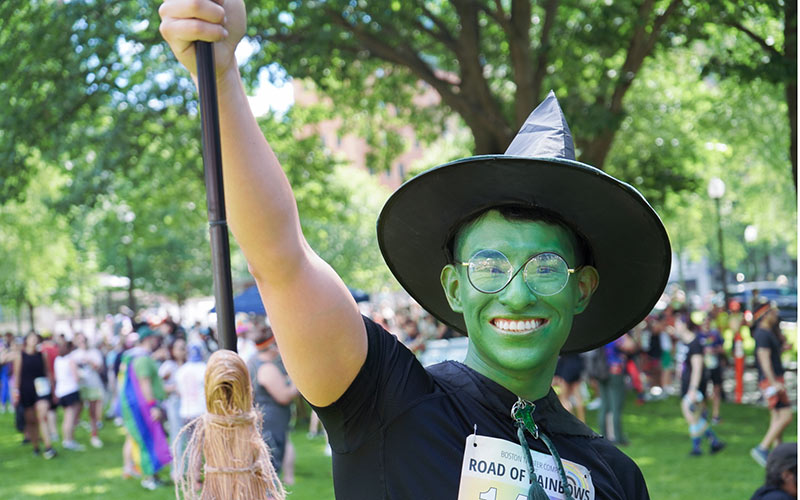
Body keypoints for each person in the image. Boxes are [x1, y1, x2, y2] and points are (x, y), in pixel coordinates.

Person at [158, 3, 672, 497]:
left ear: (581, 289)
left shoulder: (615, 479)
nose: (516, 296)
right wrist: (222, 76)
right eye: (490, 267)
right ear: (453, 285)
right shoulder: (386, 401)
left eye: (546, 268)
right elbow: (281, 260)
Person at [118, 326, 172, 490]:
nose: (157, 341)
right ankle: (149, 478)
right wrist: (153, 406)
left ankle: (153, 476)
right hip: (144, 408)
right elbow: (144, 383)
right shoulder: (142, 359)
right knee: (147, 441)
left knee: (148, 439)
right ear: (148, 339)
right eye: (154, 338)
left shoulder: (137, 357)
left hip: (139, 407)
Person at [248, 326, 299, 478]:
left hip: (265, 421)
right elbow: (284, 396)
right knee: (270, 469)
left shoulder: (253, 362)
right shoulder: (267, 368)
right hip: (271, 423)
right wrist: (299, 383)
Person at [750, 304, 794, 467]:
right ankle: (762, 448)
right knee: (786, 415)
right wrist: (774, 382)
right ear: (765, 314)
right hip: (772, 381)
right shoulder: (762, 333)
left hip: (774, 379)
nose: (776, 314)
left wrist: (782, 348)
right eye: (773, 312)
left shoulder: (768, 333)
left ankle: (778, 454)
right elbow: (764, 359)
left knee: (776, 417)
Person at [677, 319, 724, 456]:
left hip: (693, 387)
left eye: (678, 323)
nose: (675, 326)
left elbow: (697, 368)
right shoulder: (688, 343)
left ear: (685, 325)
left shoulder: (695, 343)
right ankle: (712, 442)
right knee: (695, 417)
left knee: (692, 416)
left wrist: (693, 389)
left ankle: (702, 446)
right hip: (689, 386)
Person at [12, 332, 56, 459]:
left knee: (43, 416)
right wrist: (16, 392)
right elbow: (17, 375)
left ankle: (48, 446)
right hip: (26, 390)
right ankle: (36, 446)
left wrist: (52, 388)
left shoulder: (42, 355)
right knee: (31, 420)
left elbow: (47, 372)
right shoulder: (20, 356)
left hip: (41, 389)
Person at [71, 332, 105, 448]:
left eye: (83, 340)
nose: (82, 342)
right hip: (79, 387)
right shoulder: (74, 355)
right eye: (79, 340)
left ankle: (94, 436)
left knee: (93, 412)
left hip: (93, 385)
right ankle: (71, 437)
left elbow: (99, 367)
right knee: (75, 412)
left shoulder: (94, 352)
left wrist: (89, 361)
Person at [53, 340, 85, 451]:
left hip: (61, 391)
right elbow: (76, 377)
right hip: (71, 390)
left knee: (67, 417)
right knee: (70, 417)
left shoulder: (57, 360)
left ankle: (67, 439)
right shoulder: (70, 360)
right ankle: (69, 440)